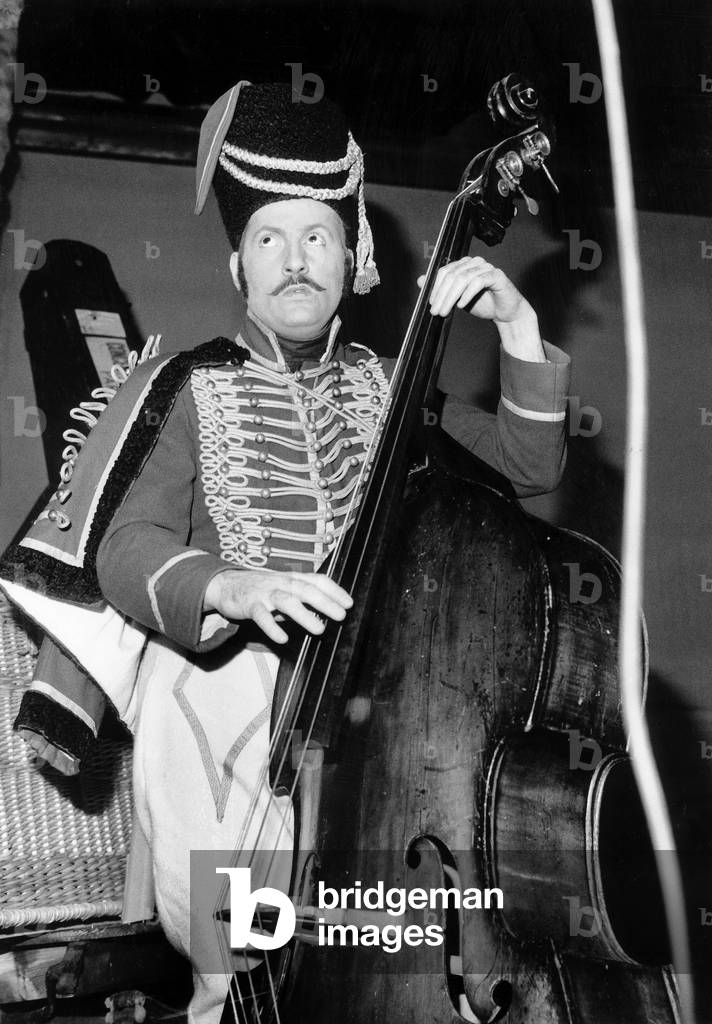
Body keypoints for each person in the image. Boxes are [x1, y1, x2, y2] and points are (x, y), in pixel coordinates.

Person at [0, 81, 570, 1023]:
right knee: (236, 957)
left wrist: (515, 324)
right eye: (269, 238)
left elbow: (530, 464)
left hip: (365, 715)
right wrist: (230, 582)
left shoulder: (393, 389)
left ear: (356, 261)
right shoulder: (189, 386)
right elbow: (126, 546)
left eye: (318, 237)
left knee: (380, 930)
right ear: (236, 265)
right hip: (223, 696)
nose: (294, 260)